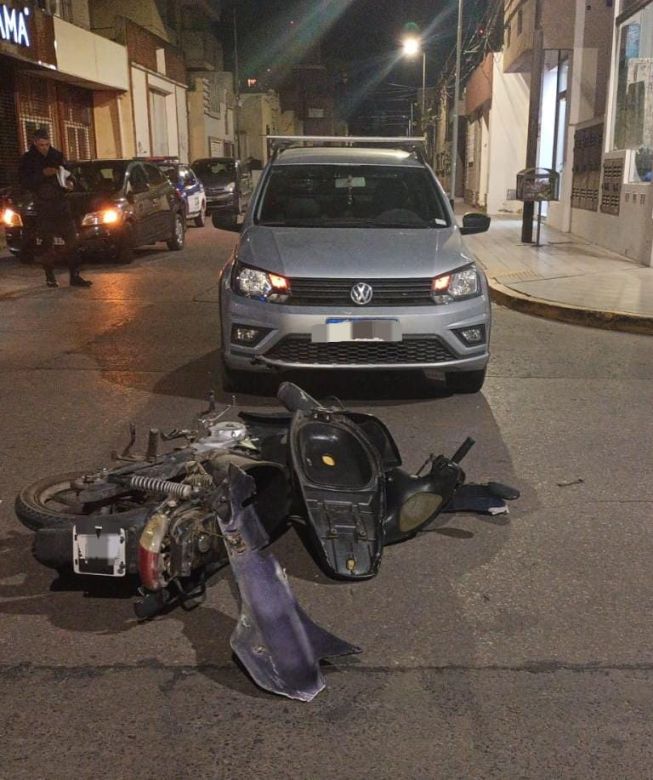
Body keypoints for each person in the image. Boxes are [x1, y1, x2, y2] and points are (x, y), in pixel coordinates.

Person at [18, 128, 92, 288]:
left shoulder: (56, 155)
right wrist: (43, 174)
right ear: (35, 142)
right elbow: (24, 182)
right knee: (47, 244)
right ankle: (50, 276)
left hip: (61, 204)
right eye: (41, 145)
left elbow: (67, 172)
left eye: (47, 144)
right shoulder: (28, 159)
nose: (44, 147)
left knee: (72, 240)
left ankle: (75, 275)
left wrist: (70, 182)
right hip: (43, 206)